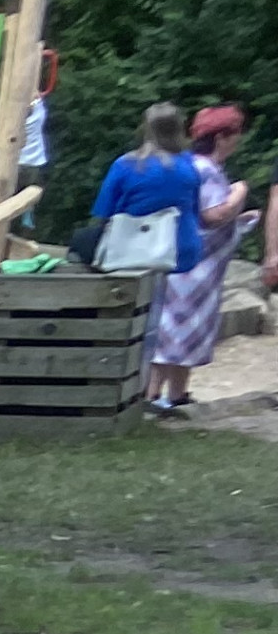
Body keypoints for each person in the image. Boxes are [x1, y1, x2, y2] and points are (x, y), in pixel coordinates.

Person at [93, 101, 214, 412]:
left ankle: (135, 390)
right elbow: (197, 212)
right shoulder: (189, 167)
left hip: (134, 251)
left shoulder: (126, 165)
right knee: (164, 318)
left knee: (138, 319)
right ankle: (159, 391)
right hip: (178, 250)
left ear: (146, 129)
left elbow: (103, 211)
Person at [142, 105, 256, 412]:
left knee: (185, 335)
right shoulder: (204, 169)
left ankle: (177, 395)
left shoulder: (197, 166)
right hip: (190, 270)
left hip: (202, 272)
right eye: (235, 133)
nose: (239, 139)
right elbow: (212, 215)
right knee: (173, 334)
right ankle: (153, 396)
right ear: (221, 137)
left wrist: (240, 219)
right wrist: (238, 194)